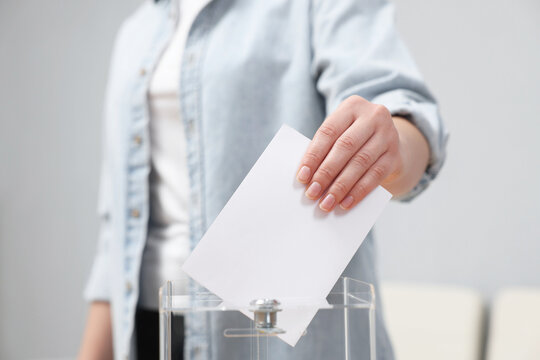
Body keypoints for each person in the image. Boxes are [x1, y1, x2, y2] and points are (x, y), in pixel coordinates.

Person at [77, 0, 448, 359]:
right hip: (152, 329)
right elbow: (117, 239)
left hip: (285, 340)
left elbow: (401, 119)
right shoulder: (136, 32)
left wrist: (393, 145)